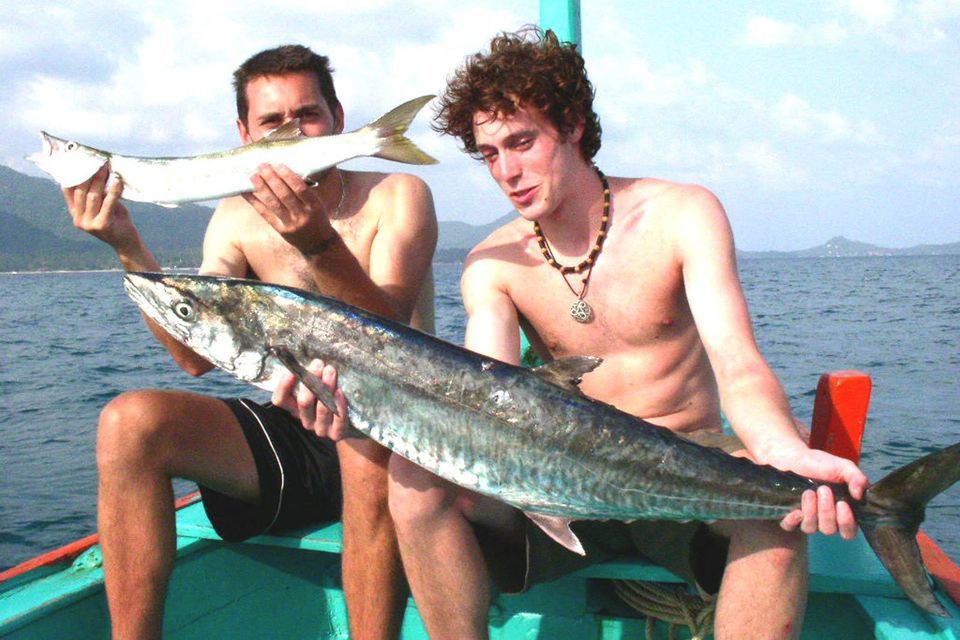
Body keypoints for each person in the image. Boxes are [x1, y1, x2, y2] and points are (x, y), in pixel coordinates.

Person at [384, 28, 868, 640]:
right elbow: (488, 397)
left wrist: (783, 451)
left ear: (574, 124)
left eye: (522, 141)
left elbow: (738, 363)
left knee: (777, 520)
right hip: (550, 476)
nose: (507, 170)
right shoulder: (493, 264)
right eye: (489, 153)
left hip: (682, 466)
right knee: (411, 480)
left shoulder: (681, 215)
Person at [62, 44, 437, 640]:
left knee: (361, 446)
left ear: (338, 120)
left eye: (307, 115)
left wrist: (320, 242)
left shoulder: (397, 196)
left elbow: (388, 345)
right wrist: (127, 245)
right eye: (270, 122)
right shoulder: (235, 219)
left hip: (397, 431)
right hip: (296, 429)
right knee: (128, 424)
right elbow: (192, 358)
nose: (291, 131)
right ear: (243, 136)